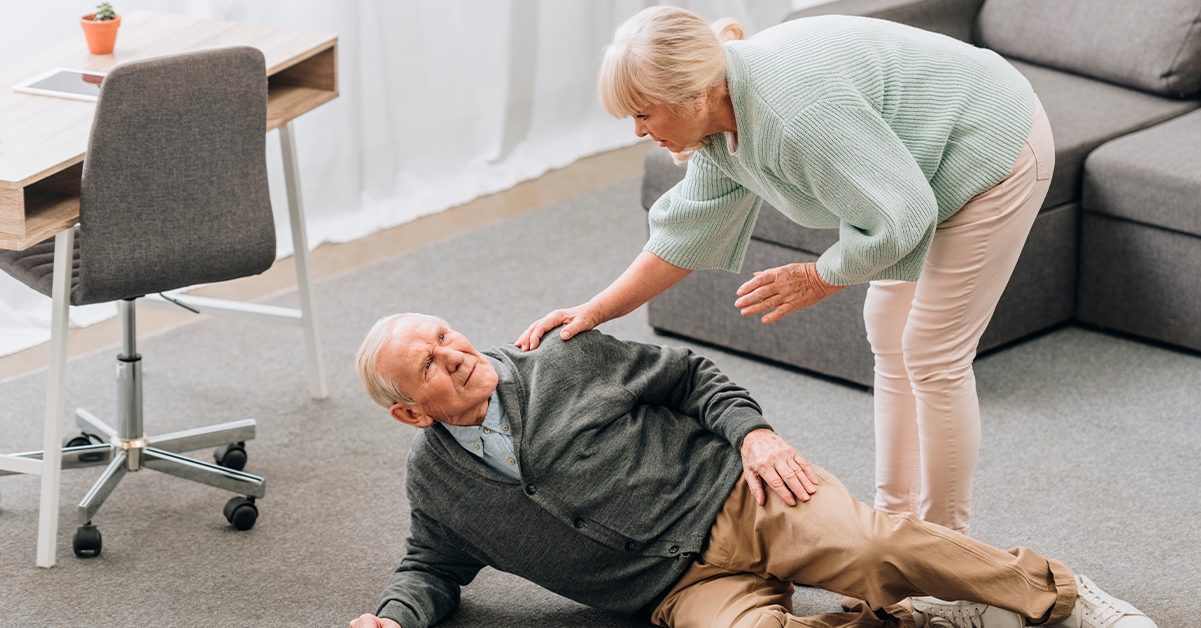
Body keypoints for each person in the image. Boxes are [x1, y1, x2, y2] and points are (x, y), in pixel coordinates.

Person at [517, 6, 1055, 536]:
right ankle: (896, 530)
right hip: (919, 163)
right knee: (888, 331)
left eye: (645, 112)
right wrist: (596, 309)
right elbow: (685, 233)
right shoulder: (719, 119)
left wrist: (821, 276)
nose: (637, 131)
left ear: (697, 94)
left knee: (932, 355)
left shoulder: (794, 115)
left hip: (992, 143)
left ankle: (947, 550)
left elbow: (903, 214)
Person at [349, 313, 1153, 628]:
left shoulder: (563, 357)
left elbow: (692, 378)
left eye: (448, 337)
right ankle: (918, 621)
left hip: (747, 497)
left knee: (872, 551)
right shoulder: (436, 485)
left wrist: (755, 435)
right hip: (675, 591)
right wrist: (392, 617)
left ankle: (1057, 594)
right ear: (409, 412)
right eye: (430, 364)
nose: (457, 356)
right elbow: (431, 564)